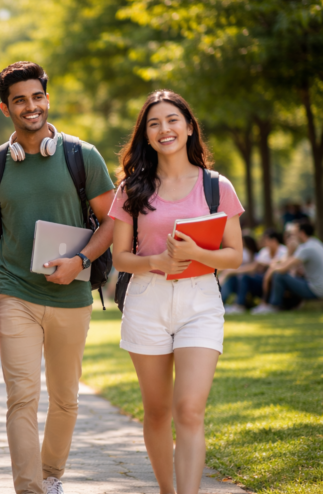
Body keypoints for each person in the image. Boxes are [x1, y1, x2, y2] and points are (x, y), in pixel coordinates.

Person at [0, 62, 116, 494]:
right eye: (19, 100)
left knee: (65, 400)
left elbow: (113, 221)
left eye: (37, 97)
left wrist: (81, 260)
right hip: (14, 294)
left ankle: (51, 475)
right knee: (21, 396)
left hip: (71, 296)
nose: (30, 106)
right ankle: (30, 488)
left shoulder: (81, 156)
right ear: (6, 108)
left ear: (47, 100)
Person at [109, 90, 244, 494]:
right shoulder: (131, 190)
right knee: (157, 411)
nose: (164, 129)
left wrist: (197, 253)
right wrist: (157, 262)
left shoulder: (217, 186)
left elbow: (234, 255)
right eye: (154, 123)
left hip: (200, 302)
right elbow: (119, 257)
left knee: (189, 410)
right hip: (147, 301)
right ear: (146, 136)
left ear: (188, 127)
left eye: (172, 120)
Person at [251, 222, 323, 313]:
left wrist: (271, 271)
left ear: (302, 233)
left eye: (296, 233)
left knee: (279, 275)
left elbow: (283, 268)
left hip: (316, 290)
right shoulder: (316, 243)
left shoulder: (306, 248)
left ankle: (274, 305)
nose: (294, 236)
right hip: (318, 287)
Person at [224, 230, 287, 314]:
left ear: (274, 241)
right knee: (245, 277)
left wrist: (267, 265)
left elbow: (282, 264)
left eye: (266, 240)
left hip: (275, 281)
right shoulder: (264, 252)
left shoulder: (283, 251)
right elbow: (255, 267)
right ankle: (239, 306)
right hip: (262, 280)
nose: (264, 243)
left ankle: (270, 305)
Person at [219, 235, 258, 305]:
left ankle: (237, 304)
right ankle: (220, 301)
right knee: (229, 279)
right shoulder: (245, 252)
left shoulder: (248, 253)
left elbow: (252, 268)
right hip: (239, 280)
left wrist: (230, 271)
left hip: (250, 281)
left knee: (233, 278)